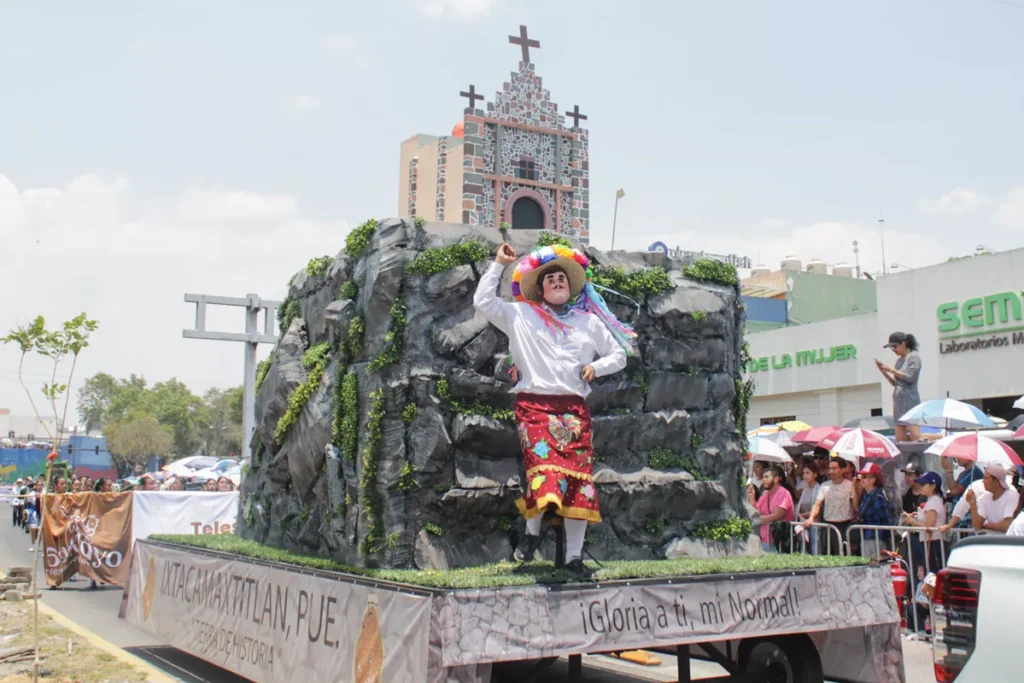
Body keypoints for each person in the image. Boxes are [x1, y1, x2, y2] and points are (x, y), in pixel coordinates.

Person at [473, 242, 634, 576]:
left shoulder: (588, 322)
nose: (557, 282)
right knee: (546, 474)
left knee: (578, 484)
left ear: (571, 285)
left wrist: (597, 369)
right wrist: (498, 264)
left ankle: (574, 558)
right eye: (550, 279)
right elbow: (483, 302)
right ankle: (531, 534)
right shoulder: (520, 314)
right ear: (540, 289)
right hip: (535, 407)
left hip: (574, 411)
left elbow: (619, 355)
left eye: (562, 277)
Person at [804, 457, 857, 555]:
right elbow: (817, 504)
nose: (831, 471)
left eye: (834, 468)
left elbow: (856, 506)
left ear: (842, 469)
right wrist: (811, 518)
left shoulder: (850, 485)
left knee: (843, 556)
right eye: (830, 468)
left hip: (844, 526)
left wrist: (856, 490)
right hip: (828, 526)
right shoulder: (824, 486)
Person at [874, 332, 922, 442]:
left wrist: (891, 370)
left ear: (903, 344)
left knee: (916, 436)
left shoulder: (914, 357)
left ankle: (936, 437)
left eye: (894, 347)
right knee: (900, 439)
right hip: (898, 403)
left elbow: (910, 377)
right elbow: (896, 383)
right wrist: (883, 372)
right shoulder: (899, 361)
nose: (894, 351)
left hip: (910, 400)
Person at [902, 472, 946, 572]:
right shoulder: (932, 500)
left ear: (933, 486)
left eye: (923, 484)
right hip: (929, 542)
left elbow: (929, 526)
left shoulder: (933, 501)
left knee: (933, 573)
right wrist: (915, 517)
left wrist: (911, 521)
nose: (920, 486)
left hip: (933, 543)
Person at [749, 466, 794, 552]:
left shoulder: (783, 493)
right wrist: (752, 498)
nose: (763, 480)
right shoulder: (765, 494)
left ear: (776, 479)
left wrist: (757, 519)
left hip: (779, 541)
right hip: (764, 541)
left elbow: (778, 515)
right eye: (763, 477)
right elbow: (757, 511)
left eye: (767, 477)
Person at [965, 462, 1020, 533]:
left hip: (1007, 542)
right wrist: (973, 505)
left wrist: (987, 525)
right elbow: (977, 526)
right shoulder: (985, 497)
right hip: (991, 542)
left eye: (986, 478)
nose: (983, 481)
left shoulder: (1012, 496)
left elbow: (1007, 525)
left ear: (996, 481)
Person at [855, 463, 893, 557]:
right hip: (867, 537)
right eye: (861, 476)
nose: (861, 479)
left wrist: (884, 537)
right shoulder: (867, 495)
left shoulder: (878, 497)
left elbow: (886, 521)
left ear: (872, 480)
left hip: (875, 538)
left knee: (873, 565)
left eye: (864, 477)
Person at [942, 457, 983, 526]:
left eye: (960, 456)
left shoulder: (974, 472)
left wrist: (948, 470)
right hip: (960, 520)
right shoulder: (963, 473)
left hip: (967, 521)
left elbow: (955, 490)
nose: (957, 458)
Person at [795, 461, 822, 554]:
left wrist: (803, 515)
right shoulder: (805, 490)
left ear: (815, 474)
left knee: (815, 550)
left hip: (815, 524)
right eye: (804, 473)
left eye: (808, 473)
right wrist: (800, 515)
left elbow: (818, 508)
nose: (805, 476)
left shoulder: (819, 489)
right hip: (804, 523)